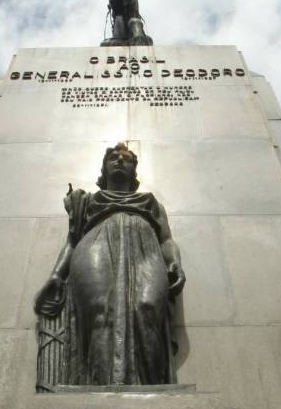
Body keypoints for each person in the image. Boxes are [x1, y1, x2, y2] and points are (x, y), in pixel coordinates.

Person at [34, 143, 185, 386]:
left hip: (146, 250)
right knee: (99, 312)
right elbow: (72, 242)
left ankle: (148, 389)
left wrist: (175, 261)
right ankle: (99, 388)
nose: (119, 161)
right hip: (95, 246)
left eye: (126, 159)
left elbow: (166, 240)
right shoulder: (88, 202)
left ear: (134, 171)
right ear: (104, 168)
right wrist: (56, 275)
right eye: (113, 157)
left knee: (147, 308)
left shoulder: (150, 203)